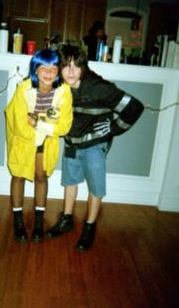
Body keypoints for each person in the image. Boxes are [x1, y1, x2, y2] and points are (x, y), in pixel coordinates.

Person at [46, 44, 144, 251]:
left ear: (83, 67)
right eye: (66, 66)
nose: (71, 72)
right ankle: (67, 219)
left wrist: (113, 129)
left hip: (94, 143)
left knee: (95, 187)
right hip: (72, 141)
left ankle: (89, 226)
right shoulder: (60, 89)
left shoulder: (99, 88)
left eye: (76, 66)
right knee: (70, 181)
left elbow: (135, 107)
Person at [5, 49, 73, 244]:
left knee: (41, 176)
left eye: (53, 67)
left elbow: (64, 126)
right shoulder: (23, 89)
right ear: (35, 69)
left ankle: (38, 221)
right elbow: (19, 123)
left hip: (46, 142)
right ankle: (18, 220)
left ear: (58, 71)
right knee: (18, 175)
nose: (48, 72)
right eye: (43, 67)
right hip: (23, 141)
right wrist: (48, 123)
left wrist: (36, 122)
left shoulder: (64, 92)